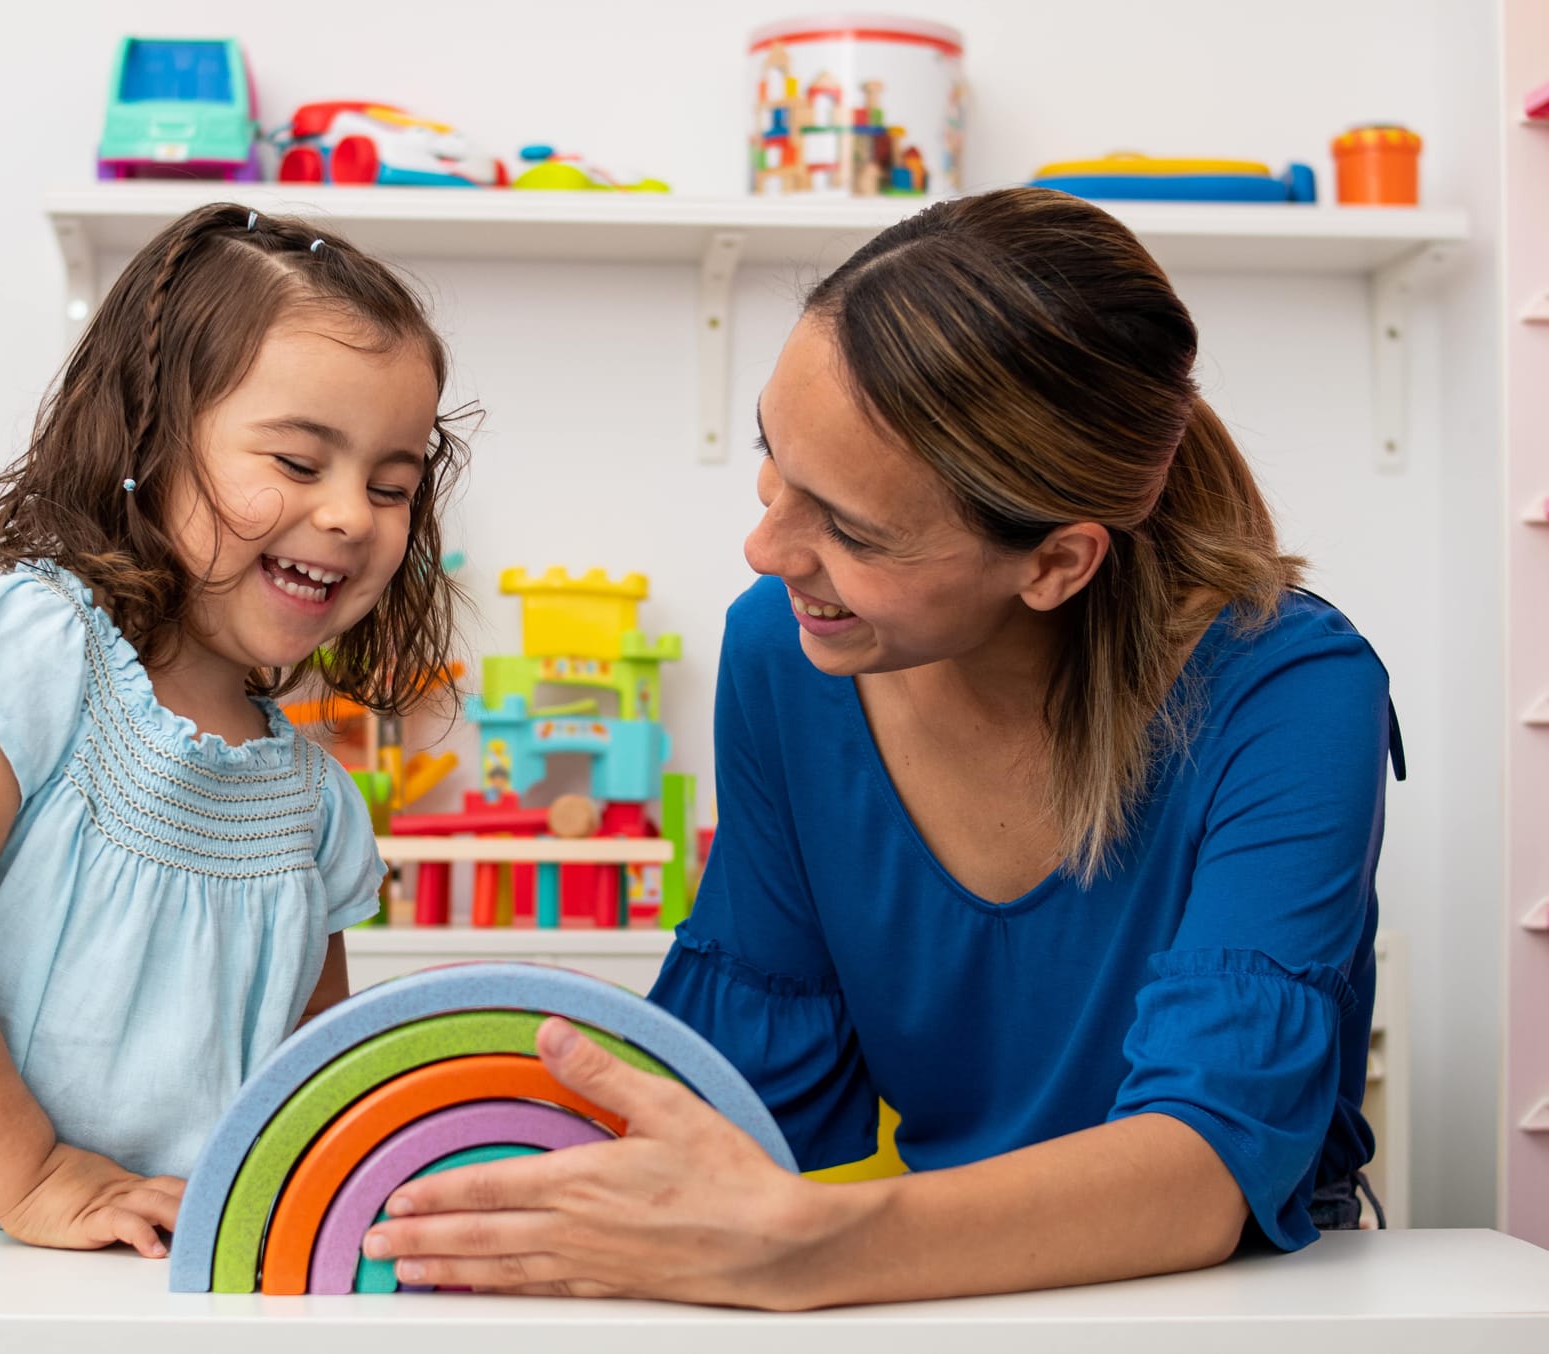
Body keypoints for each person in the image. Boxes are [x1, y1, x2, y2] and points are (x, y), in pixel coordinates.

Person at [360, 187, 1402, 1308]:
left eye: (850, 529)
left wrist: (808, 1247)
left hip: (1239, 1309)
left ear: (1056, 562)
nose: (765, 547)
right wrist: (451, 1170)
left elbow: (1205, 1169)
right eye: (774, 457)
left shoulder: (1293, 693)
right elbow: (749, 1093)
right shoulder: (783, 655)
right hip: (936, 1295)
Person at [0, 203, 467, 1260]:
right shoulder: (30, 650)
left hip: (160, 1286)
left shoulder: (313, 804)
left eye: (390, 486)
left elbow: (302, 1087)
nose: (348, 516)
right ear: (147, 440)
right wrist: (37, 1176)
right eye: (295, 460)